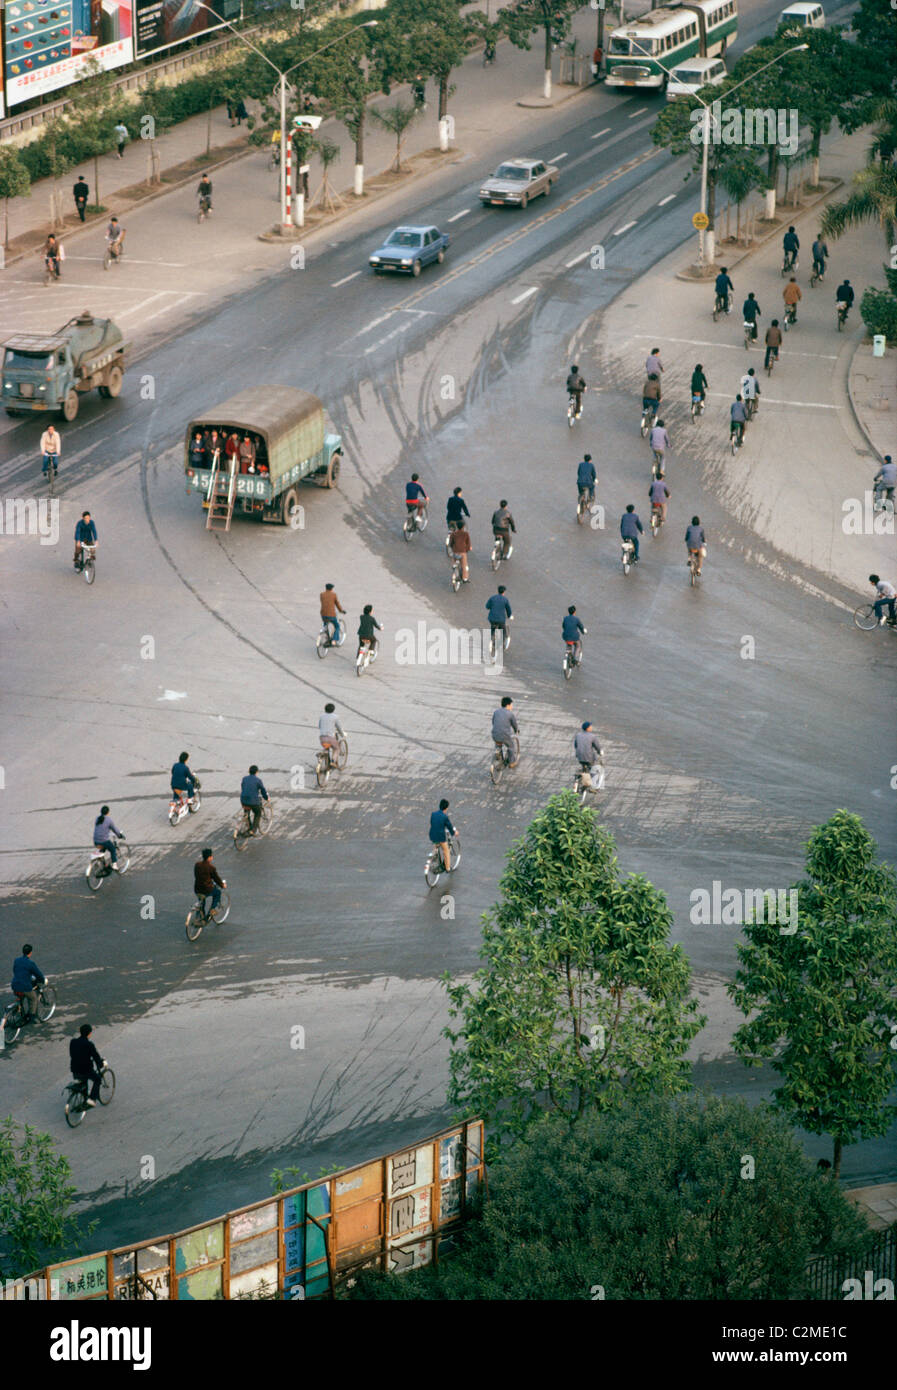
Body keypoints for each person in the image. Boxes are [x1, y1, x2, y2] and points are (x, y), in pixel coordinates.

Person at [69, 1024, 106, 1107]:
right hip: (86, 1070)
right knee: (98, 1079)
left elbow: (72, 1055)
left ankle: (83, 1099)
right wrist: (101, 1064)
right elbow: (96, 1057)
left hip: (74, 1069)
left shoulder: (73, 1042)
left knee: (83, 1083)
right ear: (89, 1033)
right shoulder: (89, 1044)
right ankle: (92, 1100)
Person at [11, 945, 44, 1023]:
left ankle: (21, 1011)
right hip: (24, 986)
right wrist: (42, 980)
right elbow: (38, 974)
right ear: (30, 953)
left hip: (15, 984)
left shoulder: (17, 960)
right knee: (33, 998)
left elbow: (15, 970)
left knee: (22, 997)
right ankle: (32, 1016)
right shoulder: (30, 963)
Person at [194, 848, 226, 915]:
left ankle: (200, 917)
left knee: (202, 902)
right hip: (206, 889)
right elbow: (216, 878)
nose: (212, 857)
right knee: (217, 893)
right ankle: (212, 909)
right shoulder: (211, 867)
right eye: (211, 856)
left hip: (197, 889)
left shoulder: (197, 865)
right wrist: (222, 885)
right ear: (209, 857)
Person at [428, 798, 456, 873]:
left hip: (432, 835)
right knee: (446, 851)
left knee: (436, 845)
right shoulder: (445, 817)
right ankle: (447, 868)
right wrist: (454, 833)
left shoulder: (433, 814)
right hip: (440, 837)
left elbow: (432, 823)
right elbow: (449, 827)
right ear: (446, 808)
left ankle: (434, 856)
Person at [240, 765, 268, 834]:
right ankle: (253, 830)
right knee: (258, 813)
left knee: (247, 812)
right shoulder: (258, 780)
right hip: (253, 801)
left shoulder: (244, 778)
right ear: (256, 772)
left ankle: (248, 825)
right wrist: (267, 798)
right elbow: (263, 790)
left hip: (243, 800)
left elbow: (243, 787)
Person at [491, 695, 519, 763]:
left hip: (494, 734)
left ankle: (498, 752)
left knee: (498, 743)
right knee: (511, 747)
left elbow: (493, 722)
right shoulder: (510, 714)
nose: (512, 707)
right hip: (505, 735)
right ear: (508, 705)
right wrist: (516, 730)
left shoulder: (496, 711)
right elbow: (514, 725)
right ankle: (511, 762)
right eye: (511, 705)